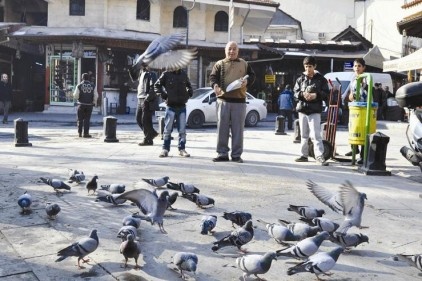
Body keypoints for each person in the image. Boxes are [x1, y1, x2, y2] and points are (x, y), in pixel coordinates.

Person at [209, 41, 256, 163]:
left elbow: (252, 76)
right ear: (225, 50)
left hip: (239, 101)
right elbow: (212, 78)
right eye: (229, 49)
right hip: (223, 101)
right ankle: (222, 153)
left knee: (238, 130)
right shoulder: (219, 64)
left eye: (234, 49)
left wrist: (248, 81)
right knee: (222, 129)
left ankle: (236, 155)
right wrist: (215, 86)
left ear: (238, 51)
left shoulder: (244, 64)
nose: (232, 51)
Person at [293, 56, 329, 166]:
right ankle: (304, 155)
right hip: (303, 110)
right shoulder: (300, 79)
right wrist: (302, 94)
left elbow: (326, 93)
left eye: (310, 66)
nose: (308, 69)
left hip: (314, 110)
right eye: (306, 66)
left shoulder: (321, 79)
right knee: (303, 134)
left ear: (314, 66)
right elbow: (295, 93)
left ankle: (319, 156)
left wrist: (316, 95)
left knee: (316, 135)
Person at [154, 68, 192, 158]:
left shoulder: (183, 74)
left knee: (182, 130)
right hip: (170, 106)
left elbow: (189, 86)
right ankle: (165, 149)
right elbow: (157, 85)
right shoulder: (166, 74)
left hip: (182, 106)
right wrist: (163, 95)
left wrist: (189, 93)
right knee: (167, 130)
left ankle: (182, 149)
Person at [346, 58, 368, 164]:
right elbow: (351, 95)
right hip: (355, 108)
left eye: (359, 66)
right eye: (355, 66)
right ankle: (354, 149)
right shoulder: (353, 79)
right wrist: (352, 96)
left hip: (365, 108)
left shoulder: (366, 78)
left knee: (363, 132)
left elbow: (366, 93)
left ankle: (363, 156)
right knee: (353, 129)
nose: (357, 68)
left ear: (363, 67)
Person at [134, 63, 159, 146]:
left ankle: (147, 138)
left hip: (147, 100)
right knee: (138, 119)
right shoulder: (141, 73)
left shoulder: (152, 74)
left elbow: (153, 88)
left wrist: (147, 99)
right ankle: (151, 134)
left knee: (145, 120)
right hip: (139, 98)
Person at [73, 73, 98, 138]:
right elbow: (96, 95)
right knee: (87, 119)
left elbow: (76, 96)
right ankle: (86, 133)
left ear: (82, 78)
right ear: (88, 78)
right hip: (89, 105)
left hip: (81, 104)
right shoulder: (93, 86)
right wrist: (94, 102)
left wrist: (76, 98)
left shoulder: (79, 85)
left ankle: (80, 133)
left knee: (80, 119)